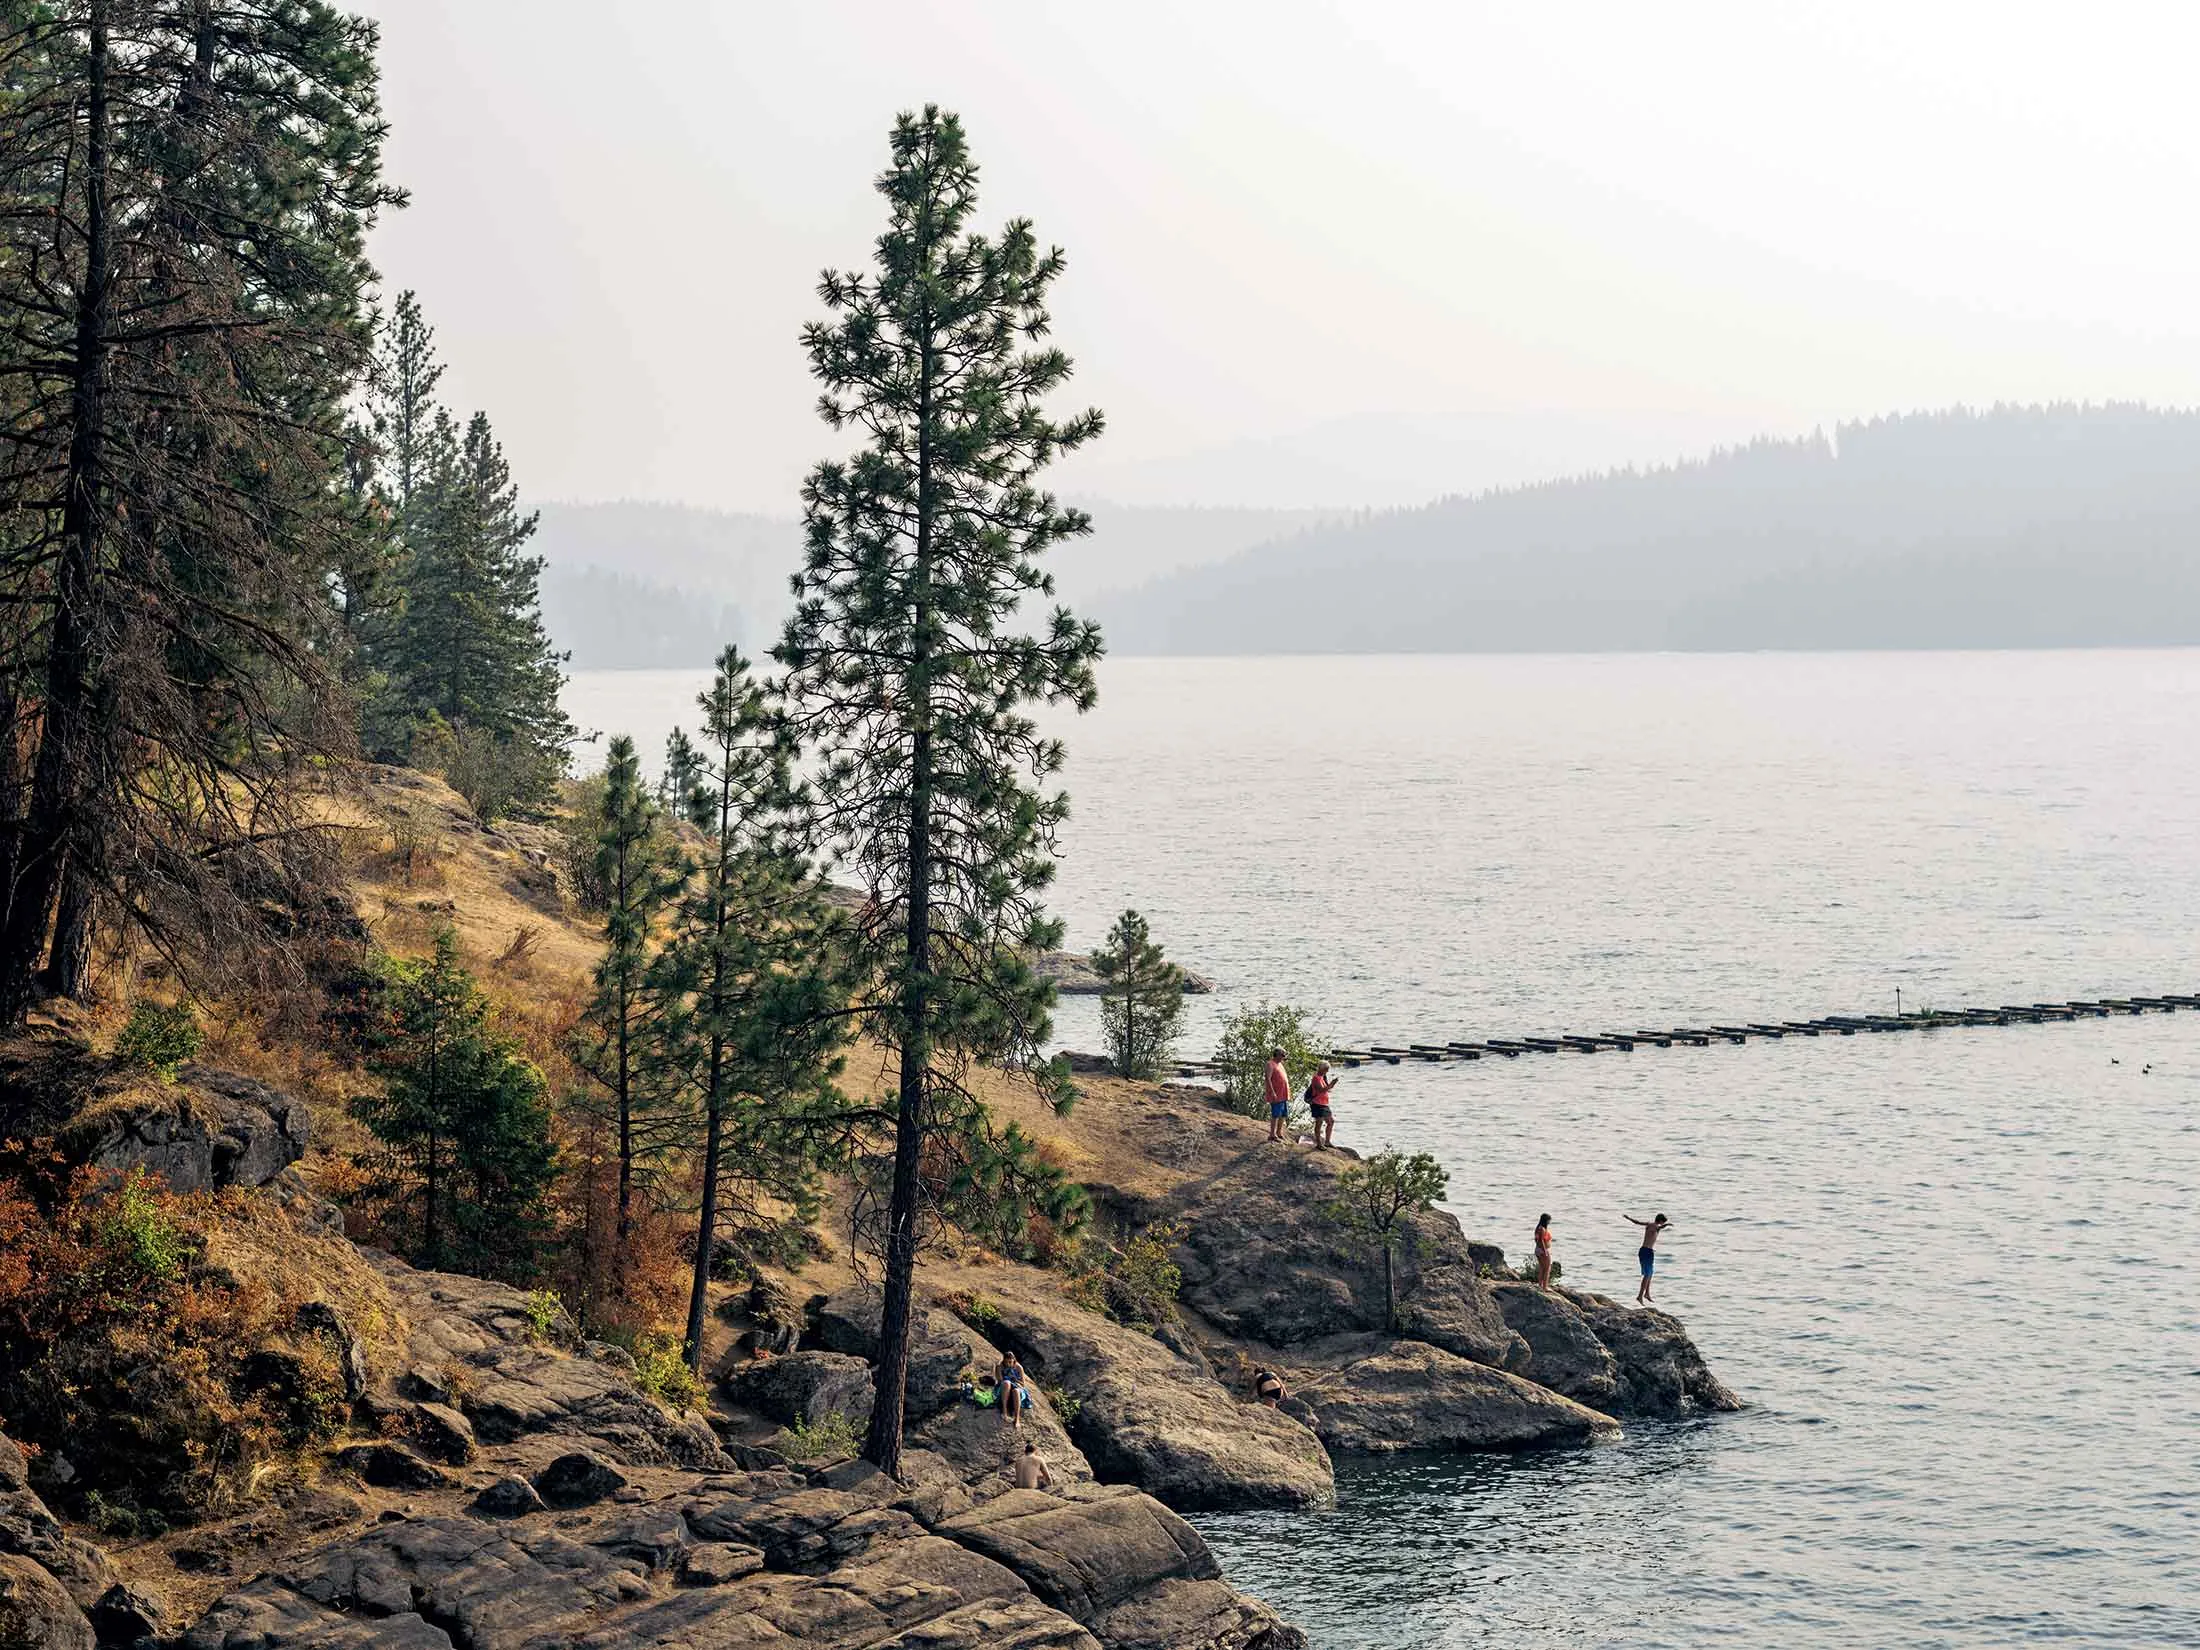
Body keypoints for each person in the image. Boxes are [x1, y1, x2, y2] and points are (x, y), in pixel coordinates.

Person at [1625, 1212, 1670, 1304]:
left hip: (1648, 1251)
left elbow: (1637, 1222)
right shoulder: (1654, 1226)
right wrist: (1666, 1225)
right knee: (1647, 1275)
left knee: (1650, 1274)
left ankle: (1647, 1294)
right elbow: (1658, 1227)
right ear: (1660, 1221)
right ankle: (1640, 1296)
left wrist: (1629, 1218)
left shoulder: (1651, 1225)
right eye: (1663, 1222)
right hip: (1646, 1252)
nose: (1663, 1223)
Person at [1305, 1061, 1336, 1149]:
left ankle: (1327, 1141)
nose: (1327, 1071)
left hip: (1324, 1103)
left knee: (1331, 1121)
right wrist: (1331, 1084)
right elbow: (1321, 1090)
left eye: (1328, 1069)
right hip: (1317, 1103)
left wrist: (1331, 1085)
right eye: (1326, 1069)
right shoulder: (1316, 1078)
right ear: (1321, 1068)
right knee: (1319, 1123)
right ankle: (1319, 1143)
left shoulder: (1323, 1077)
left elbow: (1326, 1089)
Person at [1264, 1047, 1291, 1142]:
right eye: (1283, 1055)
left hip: (1283, 1094)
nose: (1284, 1057)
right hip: (1276, 1094)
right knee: (1275, 1114)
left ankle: (1279, 1132)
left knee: (1283, 1114)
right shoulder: (1270, 1064)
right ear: (1277, 1054)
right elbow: (1268, 1079)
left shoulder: (1280, 1064)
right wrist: (1272, 1092)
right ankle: (1272, 1134)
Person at [997, 1351, 1027, 1429]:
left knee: (1016, 1391)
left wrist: (1015, 1380)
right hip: (1005, 1387)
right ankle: (1004, 1411)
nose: (1008, 1364)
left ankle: (1017, 1419)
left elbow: (1023, 1384)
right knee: (1006, 1383)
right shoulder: (999, 1367)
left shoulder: (1019, 1367)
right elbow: (1000, 1381)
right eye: (1006, 1362)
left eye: (1010, 1362)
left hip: (1016, 1386)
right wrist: (1007, 1377)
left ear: (1014, 1360)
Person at [1534, 1213, 1555, 1291]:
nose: (1549, 1222)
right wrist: (1545, 1251)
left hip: (1538, 1249)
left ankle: (1540, 1285)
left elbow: (1536, 1240)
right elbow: (1541, 1240)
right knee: (1547, 1268)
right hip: (1542, 1250)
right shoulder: (1542, 1229)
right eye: (1549, 1220)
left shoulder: (1538, 1228)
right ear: (1546, 1220)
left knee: (1542, 1268)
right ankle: (1545, 1287)